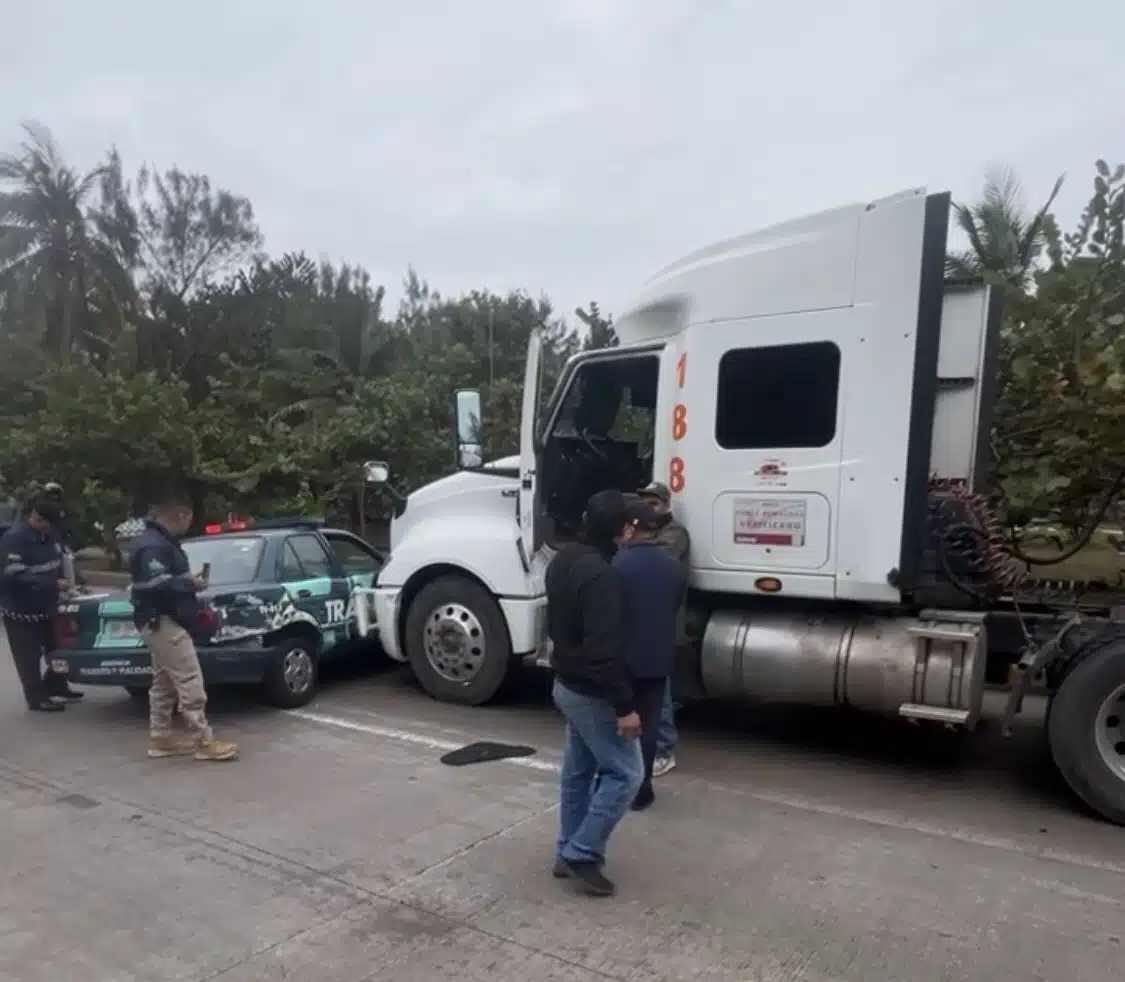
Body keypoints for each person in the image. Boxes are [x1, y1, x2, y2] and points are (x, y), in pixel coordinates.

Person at [546, 489, 642, 897]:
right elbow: (603, 653)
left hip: (565, 684)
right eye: (628, 524)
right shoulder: (602, 575)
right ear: (618, 528)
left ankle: (567, 848)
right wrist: (624, 708)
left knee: (579, 773)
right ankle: (583, 851)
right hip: (590, 692)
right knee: (627, 774)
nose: (631, 531)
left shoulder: (563, 558)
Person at [130, 491, 237, 762]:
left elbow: (162, 579)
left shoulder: (158, 541)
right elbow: (154, 584)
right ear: (179, 515)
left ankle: (161, 737)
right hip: (162, 621)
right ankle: (203, 740)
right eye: (188, 519)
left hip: (162, 621)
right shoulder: (154, 545)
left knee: (164, 681)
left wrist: (185, 579)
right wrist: (191, 583)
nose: (189, 525)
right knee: (189, 678)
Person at [613, 499, 686, 810]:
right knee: (650, 728)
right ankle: (643, 790)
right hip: (657, 659)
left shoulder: (617, 564)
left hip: (624, 660)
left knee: (619, 727)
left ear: (631, 527)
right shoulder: (673, 567)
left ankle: (621, 785)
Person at [0, 498, 77, 711]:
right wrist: (53, 583)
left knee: (57, 647)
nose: (54, 530)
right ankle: (35, 697)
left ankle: (56, 684)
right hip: (21, 608)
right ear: (37, 519)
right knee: (28, 656)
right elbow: (13, 576)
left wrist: (73, 582)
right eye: (50, 525)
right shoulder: (15, 539)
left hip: (47, 604)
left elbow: (61, 560)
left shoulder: (50, 536)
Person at [637, 482, 690, 776]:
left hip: (664, 623)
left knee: (661, 691)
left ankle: (664, 748)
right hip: (650, 621)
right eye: (644, 502)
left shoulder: (675, 534)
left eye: (654, 503)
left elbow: (654, 559)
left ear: (666, 505)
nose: (649, 508)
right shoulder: (654, 534)